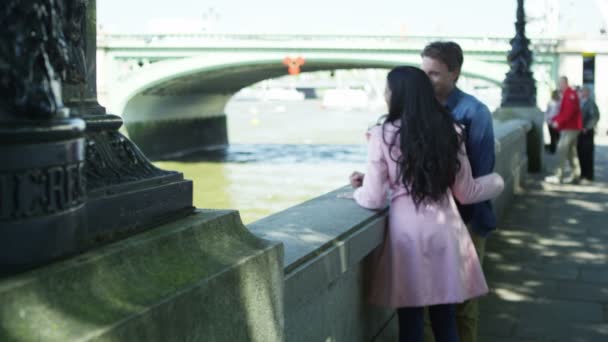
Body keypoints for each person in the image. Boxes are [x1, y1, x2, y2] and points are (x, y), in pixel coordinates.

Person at [347, 66, 504, 342]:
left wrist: (358, 191)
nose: (385, 94)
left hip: (407, 235)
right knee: (445, 319)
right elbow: (465, 192)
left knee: (411, 321)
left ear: (397, 95)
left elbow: (372, 199)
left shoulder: (382, 134)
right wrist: (497, 182)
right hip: (446, 231)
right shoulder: (450, 129)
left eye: (388, 89)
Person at [420, 41, 496, 342]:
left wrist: (467, 222)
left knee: (463, 306)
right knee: (427, 305)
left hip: (467, 221)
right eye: (423, 72)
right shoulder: (420, 110)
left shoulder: (475, 113)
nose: (426, 80)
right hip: (429, 223)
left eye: (434, 74)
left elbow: (481, 174)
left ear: (455, 73)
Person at [545, 76, 583, 184]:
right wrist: (554, 119)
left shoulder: (570, 94)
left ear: (565, 83)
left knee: (561, 150)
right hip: (571, 127)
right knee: (571, 153)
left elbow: (569, 112)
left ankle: (559, 175)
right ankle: (576, 175)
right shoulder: (567, 94)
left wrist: (558, 121)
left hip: (570, 128)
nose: (559, 86)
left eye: (560, 83)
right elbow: (564, 112)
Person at [577, 86, 600, 181]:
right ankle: (582, 173)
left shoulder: (590, 103)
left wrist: (587, 127)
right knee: (580, 153)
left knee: (587, 153)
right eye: (582, 91)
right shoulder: (580, 102)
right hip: (580, 132)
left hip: (587, 132)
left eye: (584, 91)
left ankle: (589, 175)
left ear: (587, 93)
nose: (582, 93)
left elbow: (595, 117)